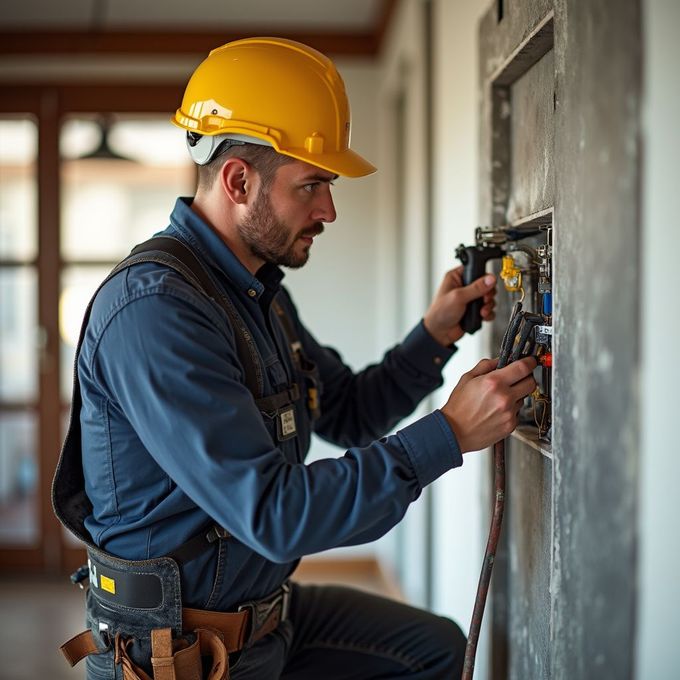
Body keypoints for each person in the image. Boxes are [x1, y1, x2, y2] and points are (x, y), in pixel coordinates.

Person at [54, 37, 537, 680]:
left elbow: (348, 412)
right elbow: (275, 514)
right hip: (181, 651)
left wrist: (434, 336)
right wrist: (447, 435)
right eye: (312, 186)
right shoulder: (156, 313)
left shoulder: (255, 293)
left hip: (267, 613)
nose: (328, 210)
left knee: (434, 650)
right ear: (238, 180)